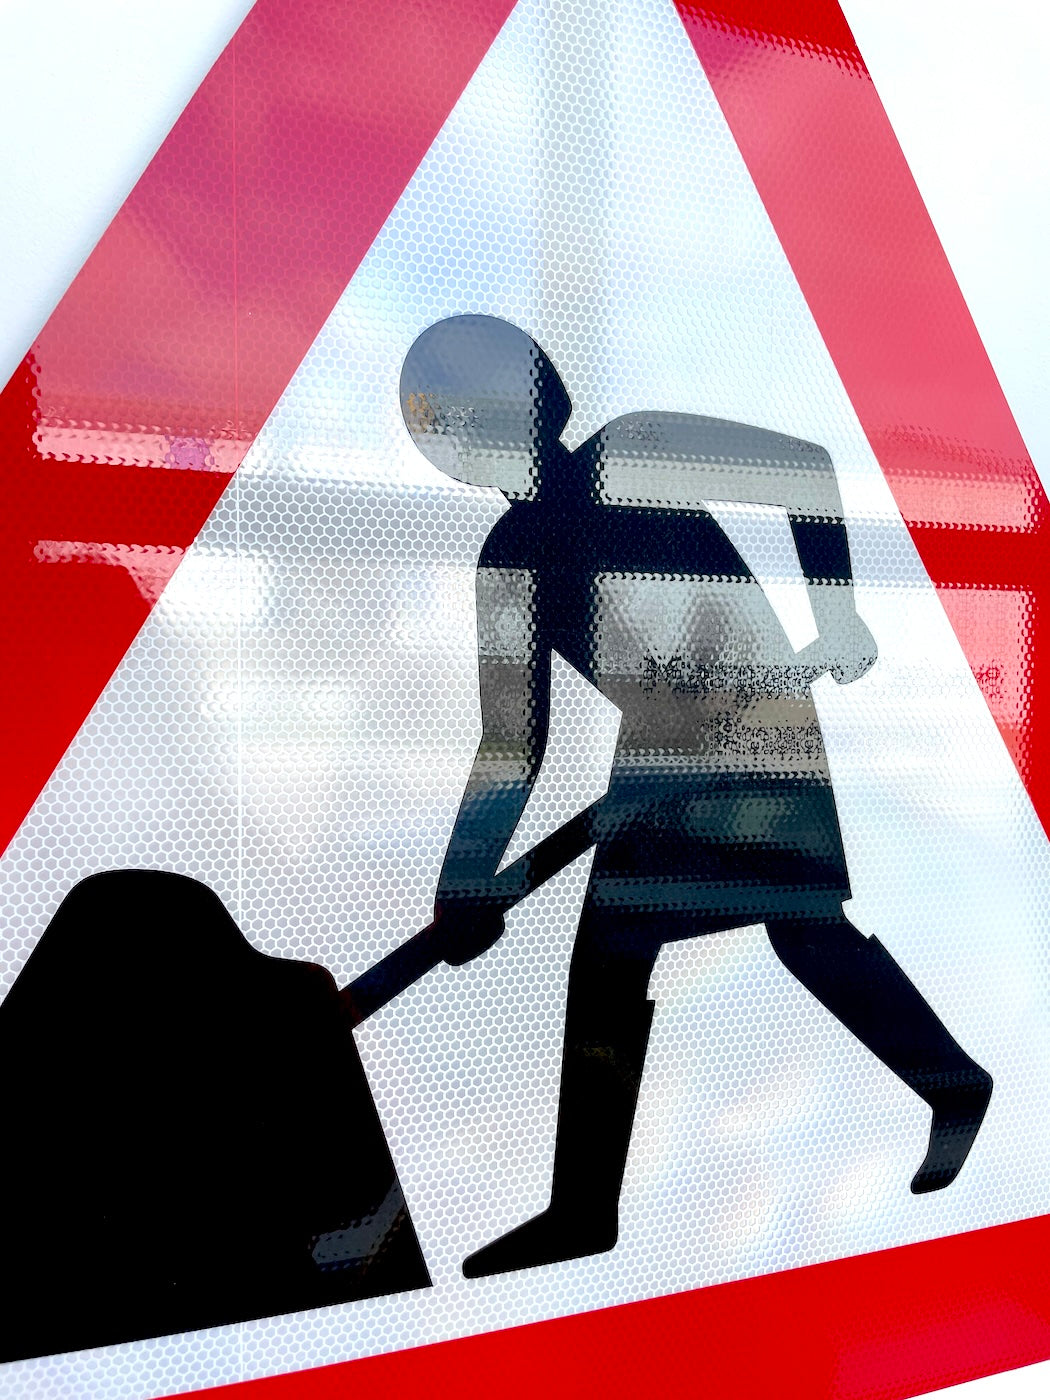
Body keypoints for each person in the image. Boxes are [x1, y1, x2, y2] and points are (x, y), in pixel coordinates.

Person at [400, 315, 992, 1278]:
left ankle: (952, 1084)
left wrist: (835, 615)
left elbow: (803, 471)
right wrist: (464, 880)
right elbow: (513, 740)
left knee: (802, 927)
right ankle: (585, 1210)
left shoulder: (640, 451)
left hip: (759, 726)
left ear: (542, 398)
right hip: (656, 761)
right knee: (614, 960)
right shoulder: (508, 563)